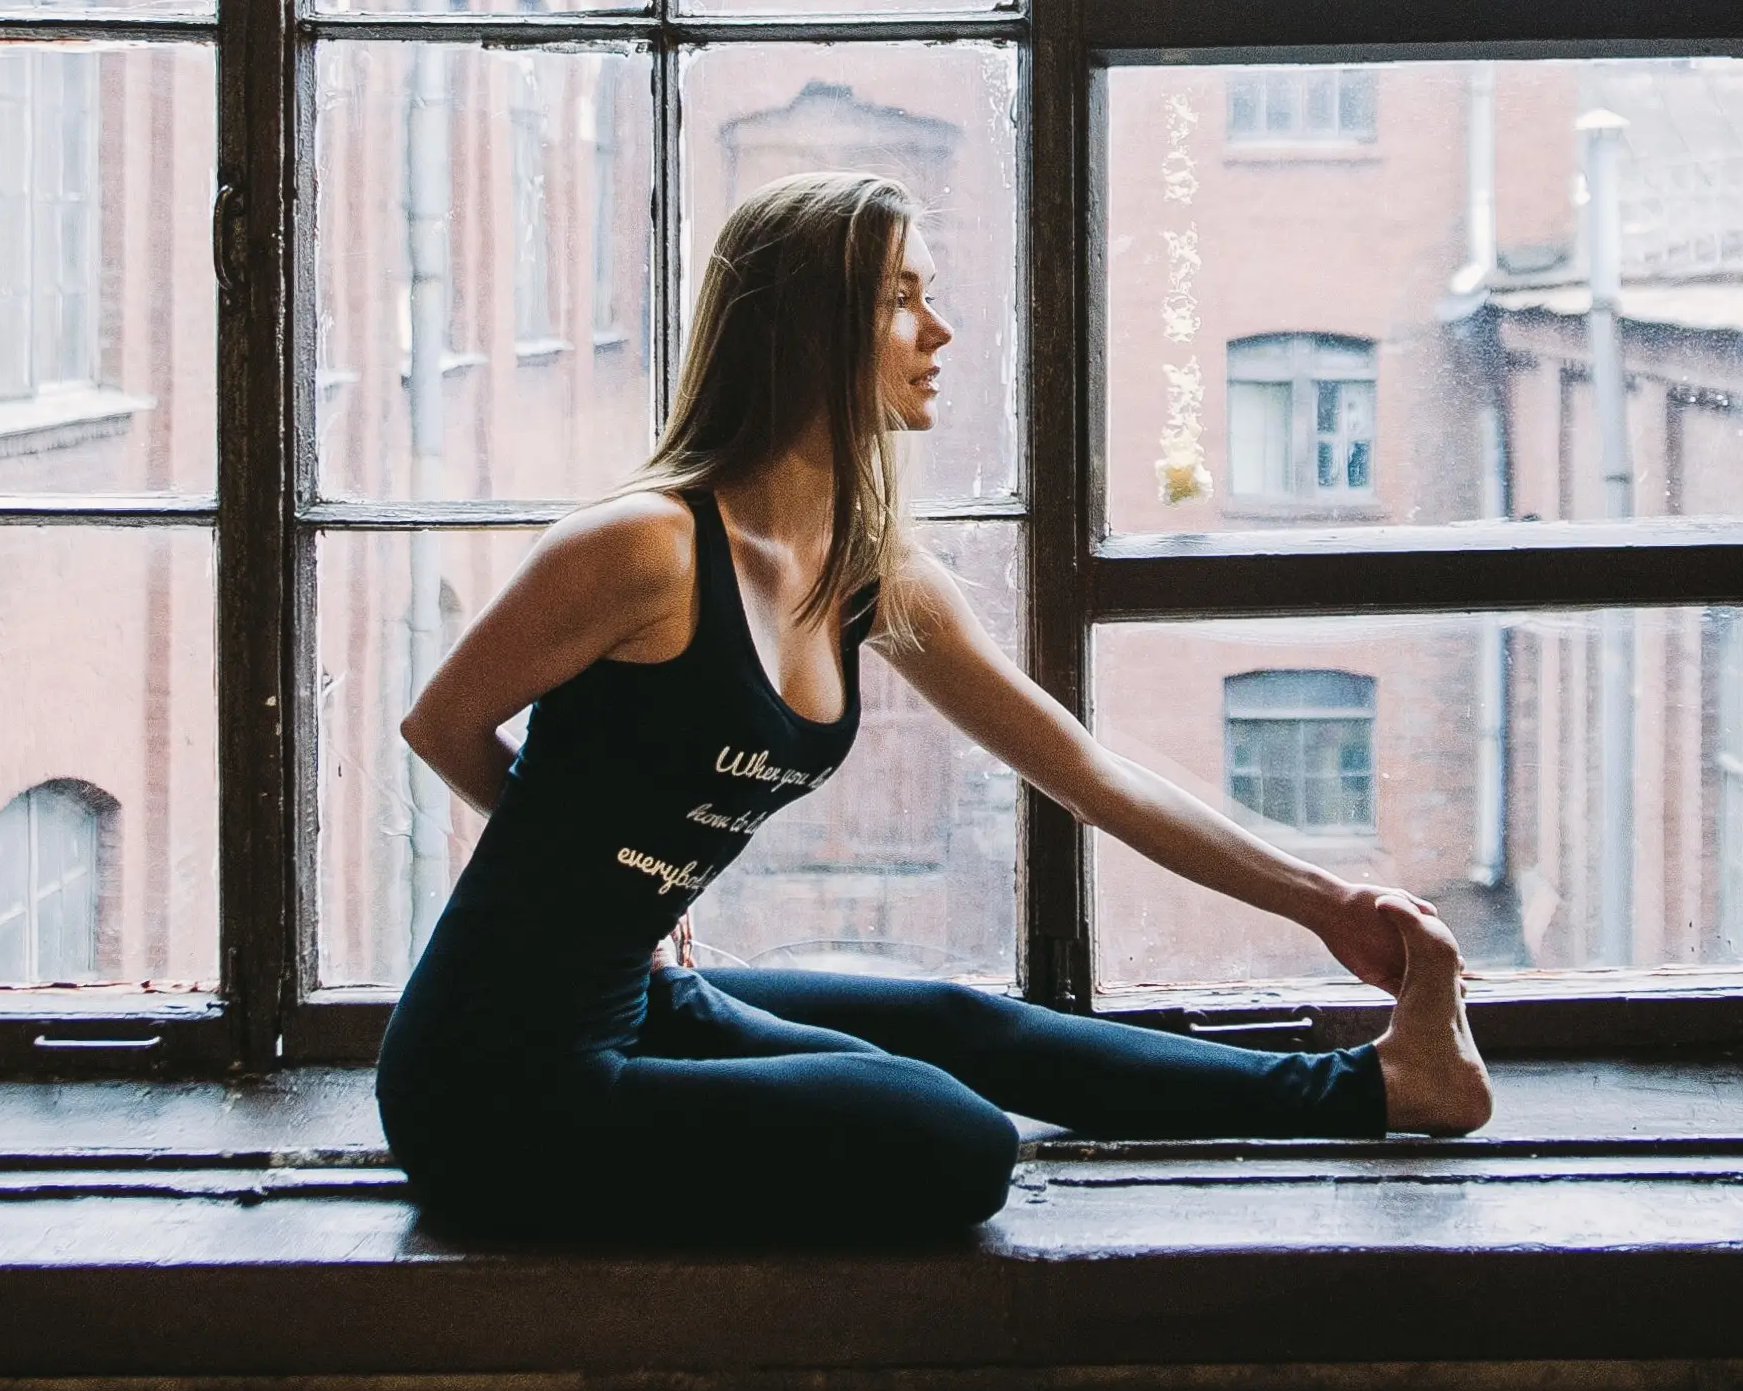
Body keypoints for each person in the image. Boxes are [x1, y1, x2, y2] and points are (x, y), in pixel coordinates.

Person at [381, 168, 1490, 1240]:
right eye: (900, 298)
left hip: (636, 996)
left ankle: (1385, 1084)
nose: (939, 330)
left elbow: (1091, 773)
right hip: (496, 1078)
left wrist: (1325, 902)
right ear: (804, 329)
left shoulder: (872, 572)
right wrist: (588, 879)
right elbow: (442, 721)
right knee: (955, 1137)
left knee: (965, 1027)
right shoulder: (644, 547)